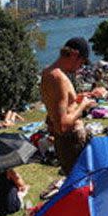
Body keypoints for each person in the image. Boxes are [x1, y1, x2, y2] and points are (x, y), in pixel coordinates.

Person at [41, 37, 96, 176]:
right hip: (72, 142)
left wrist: (76, 99)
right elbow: (62, 125)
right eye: (82, 62)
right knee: (82, 183)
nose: (81, 67)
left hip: (64, 143)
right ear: (75, 55)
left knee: (76, 182)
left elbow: (56, 106)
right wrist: (83, 105)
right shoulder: (59, 78)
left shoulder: (47, 73)